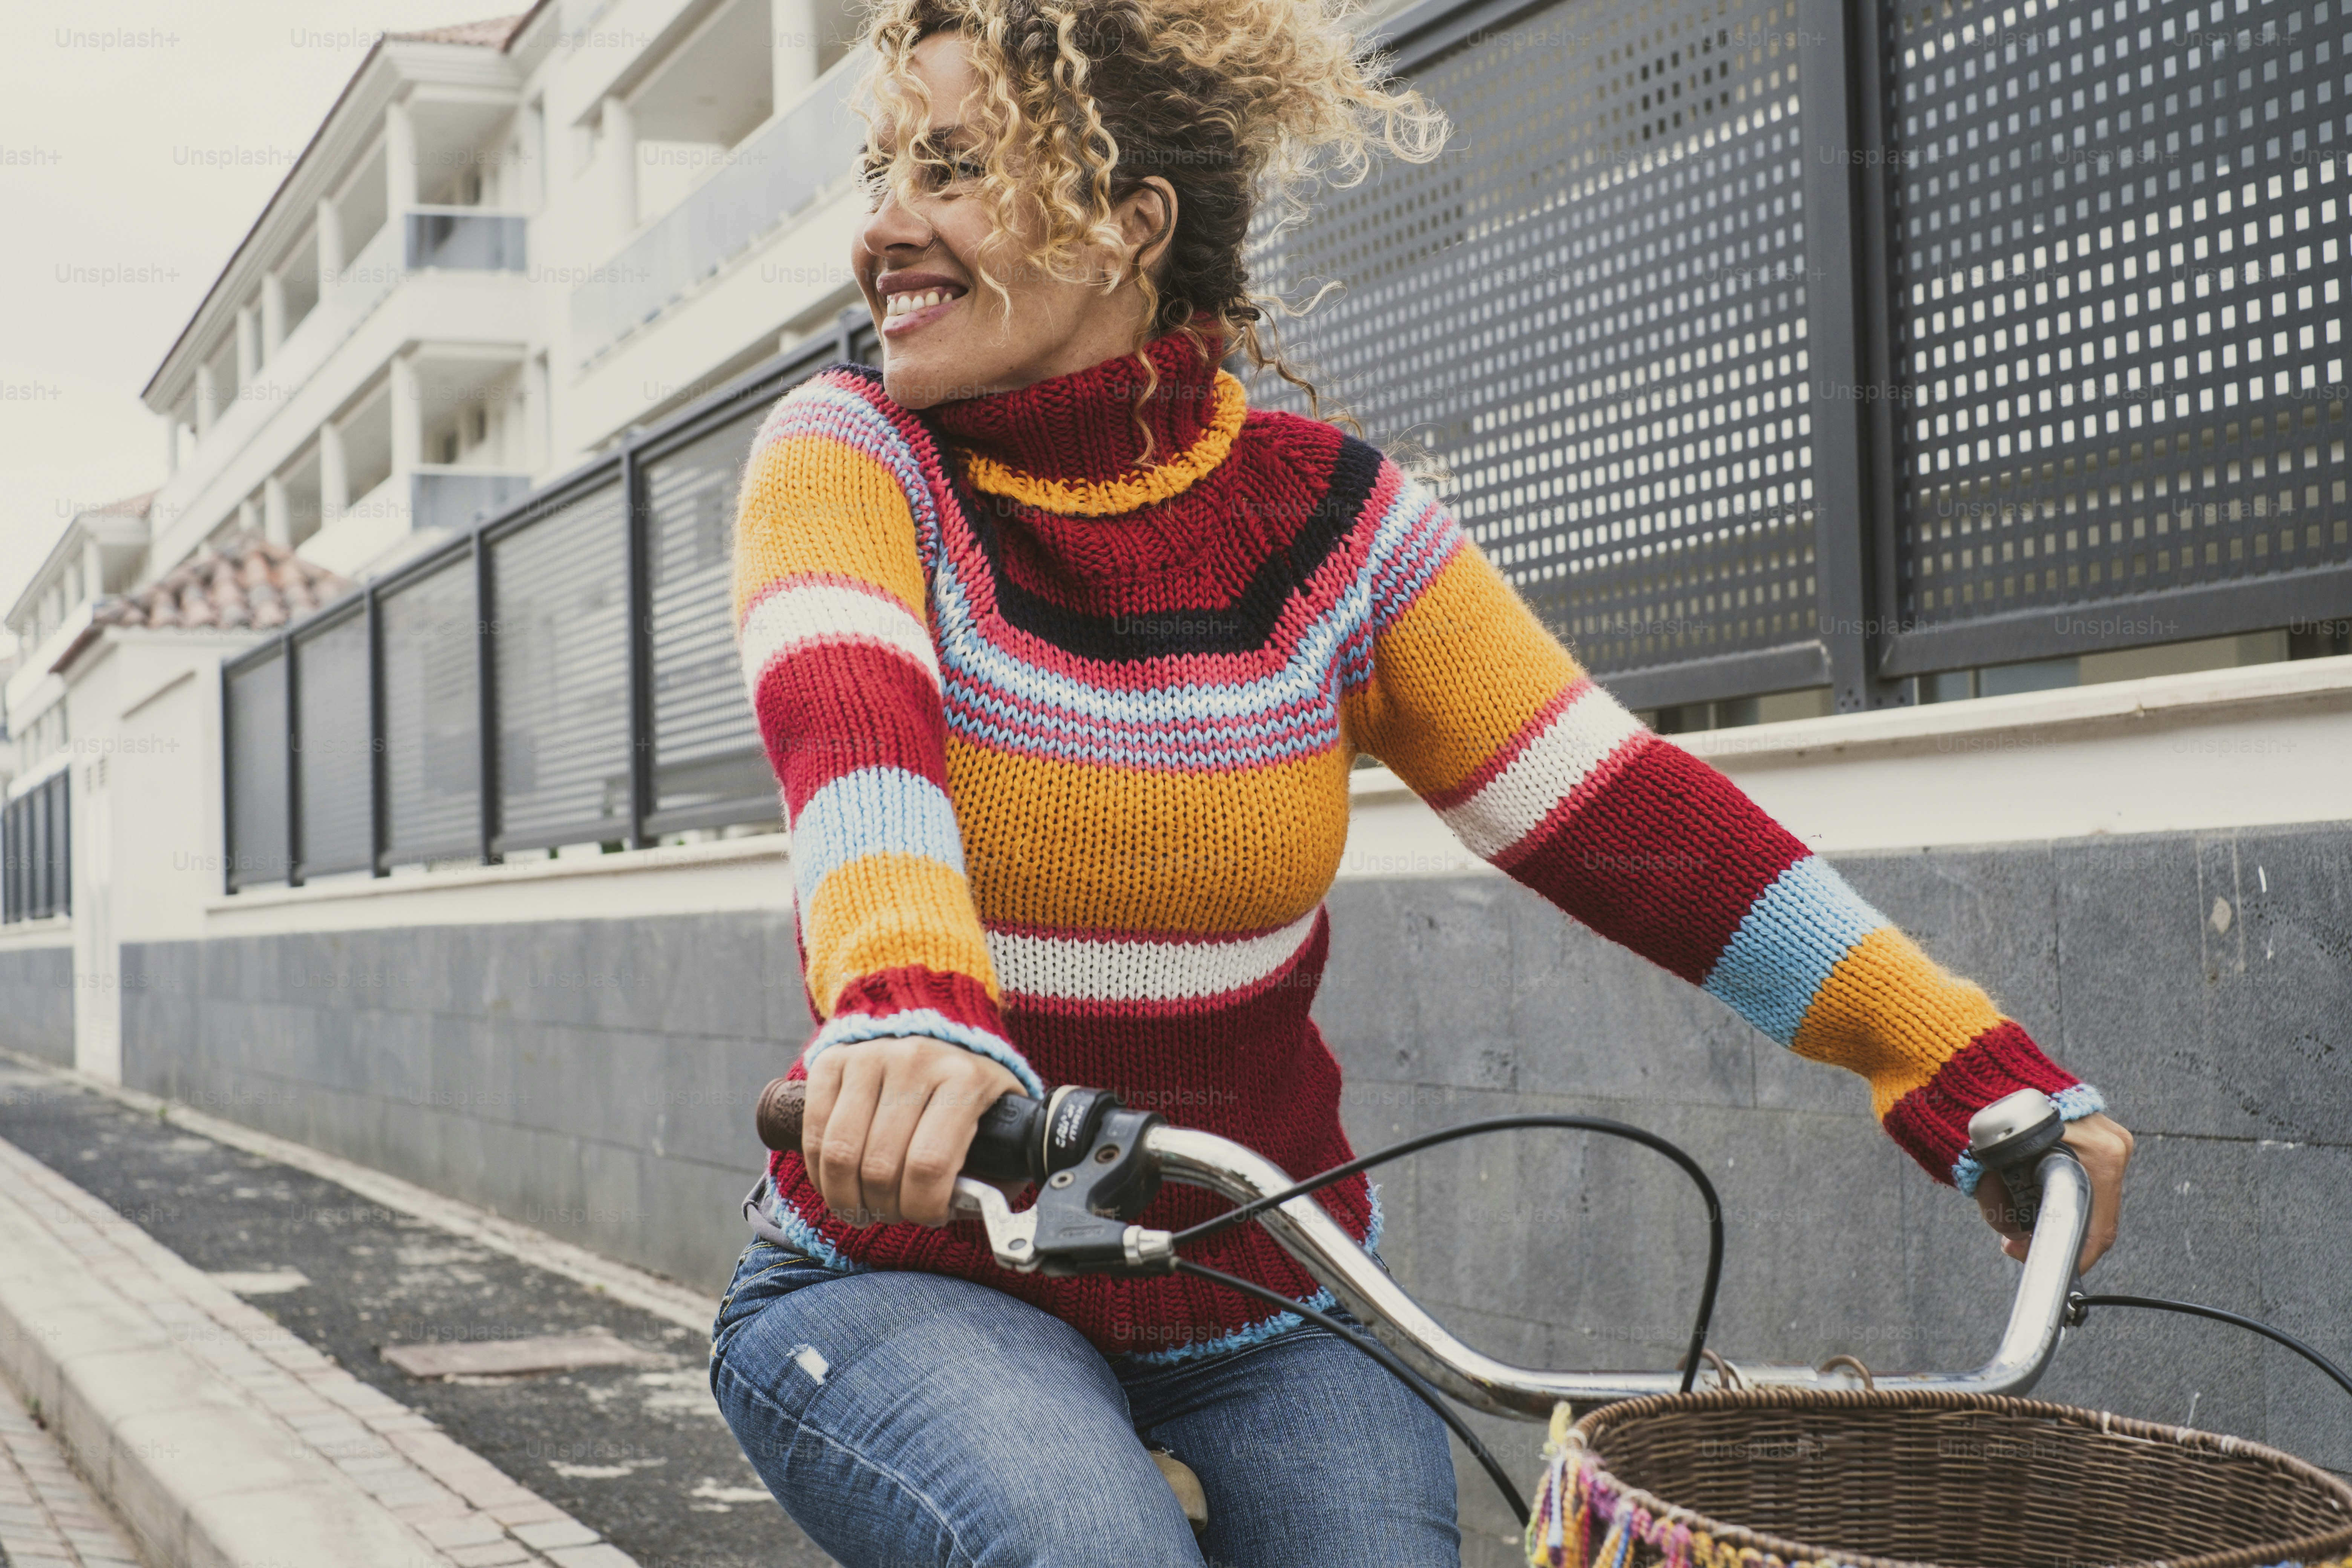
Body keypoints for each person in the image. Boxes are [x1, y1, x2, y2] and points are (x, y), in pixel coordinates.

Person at [706, 0, 2137, 1560]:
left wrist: (1957, 1058)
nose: (883, 228)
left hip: (1256, 1282)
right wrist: (909, 1008)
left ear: (1129, 224)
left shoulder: (1335, 522)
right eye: (884, 172)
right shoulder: (851, 456)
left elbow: (1626, 815)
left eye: (952, 169)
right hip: (910, 1275)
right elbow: (855, 747)